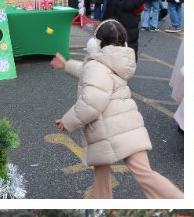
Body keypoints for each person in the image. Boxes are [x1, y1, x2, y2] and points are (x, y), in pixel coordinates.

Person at [50, 19, 183, 198]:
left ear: (96, 44)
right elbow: (87, 72)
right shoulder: (115, 61)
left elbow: (91, 102)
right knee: (144, 174)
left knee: (103, 176)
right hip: (129, 126)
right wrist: (66, 64)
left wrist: (67, 122)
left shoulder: (97, 66)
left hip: (108, 130)